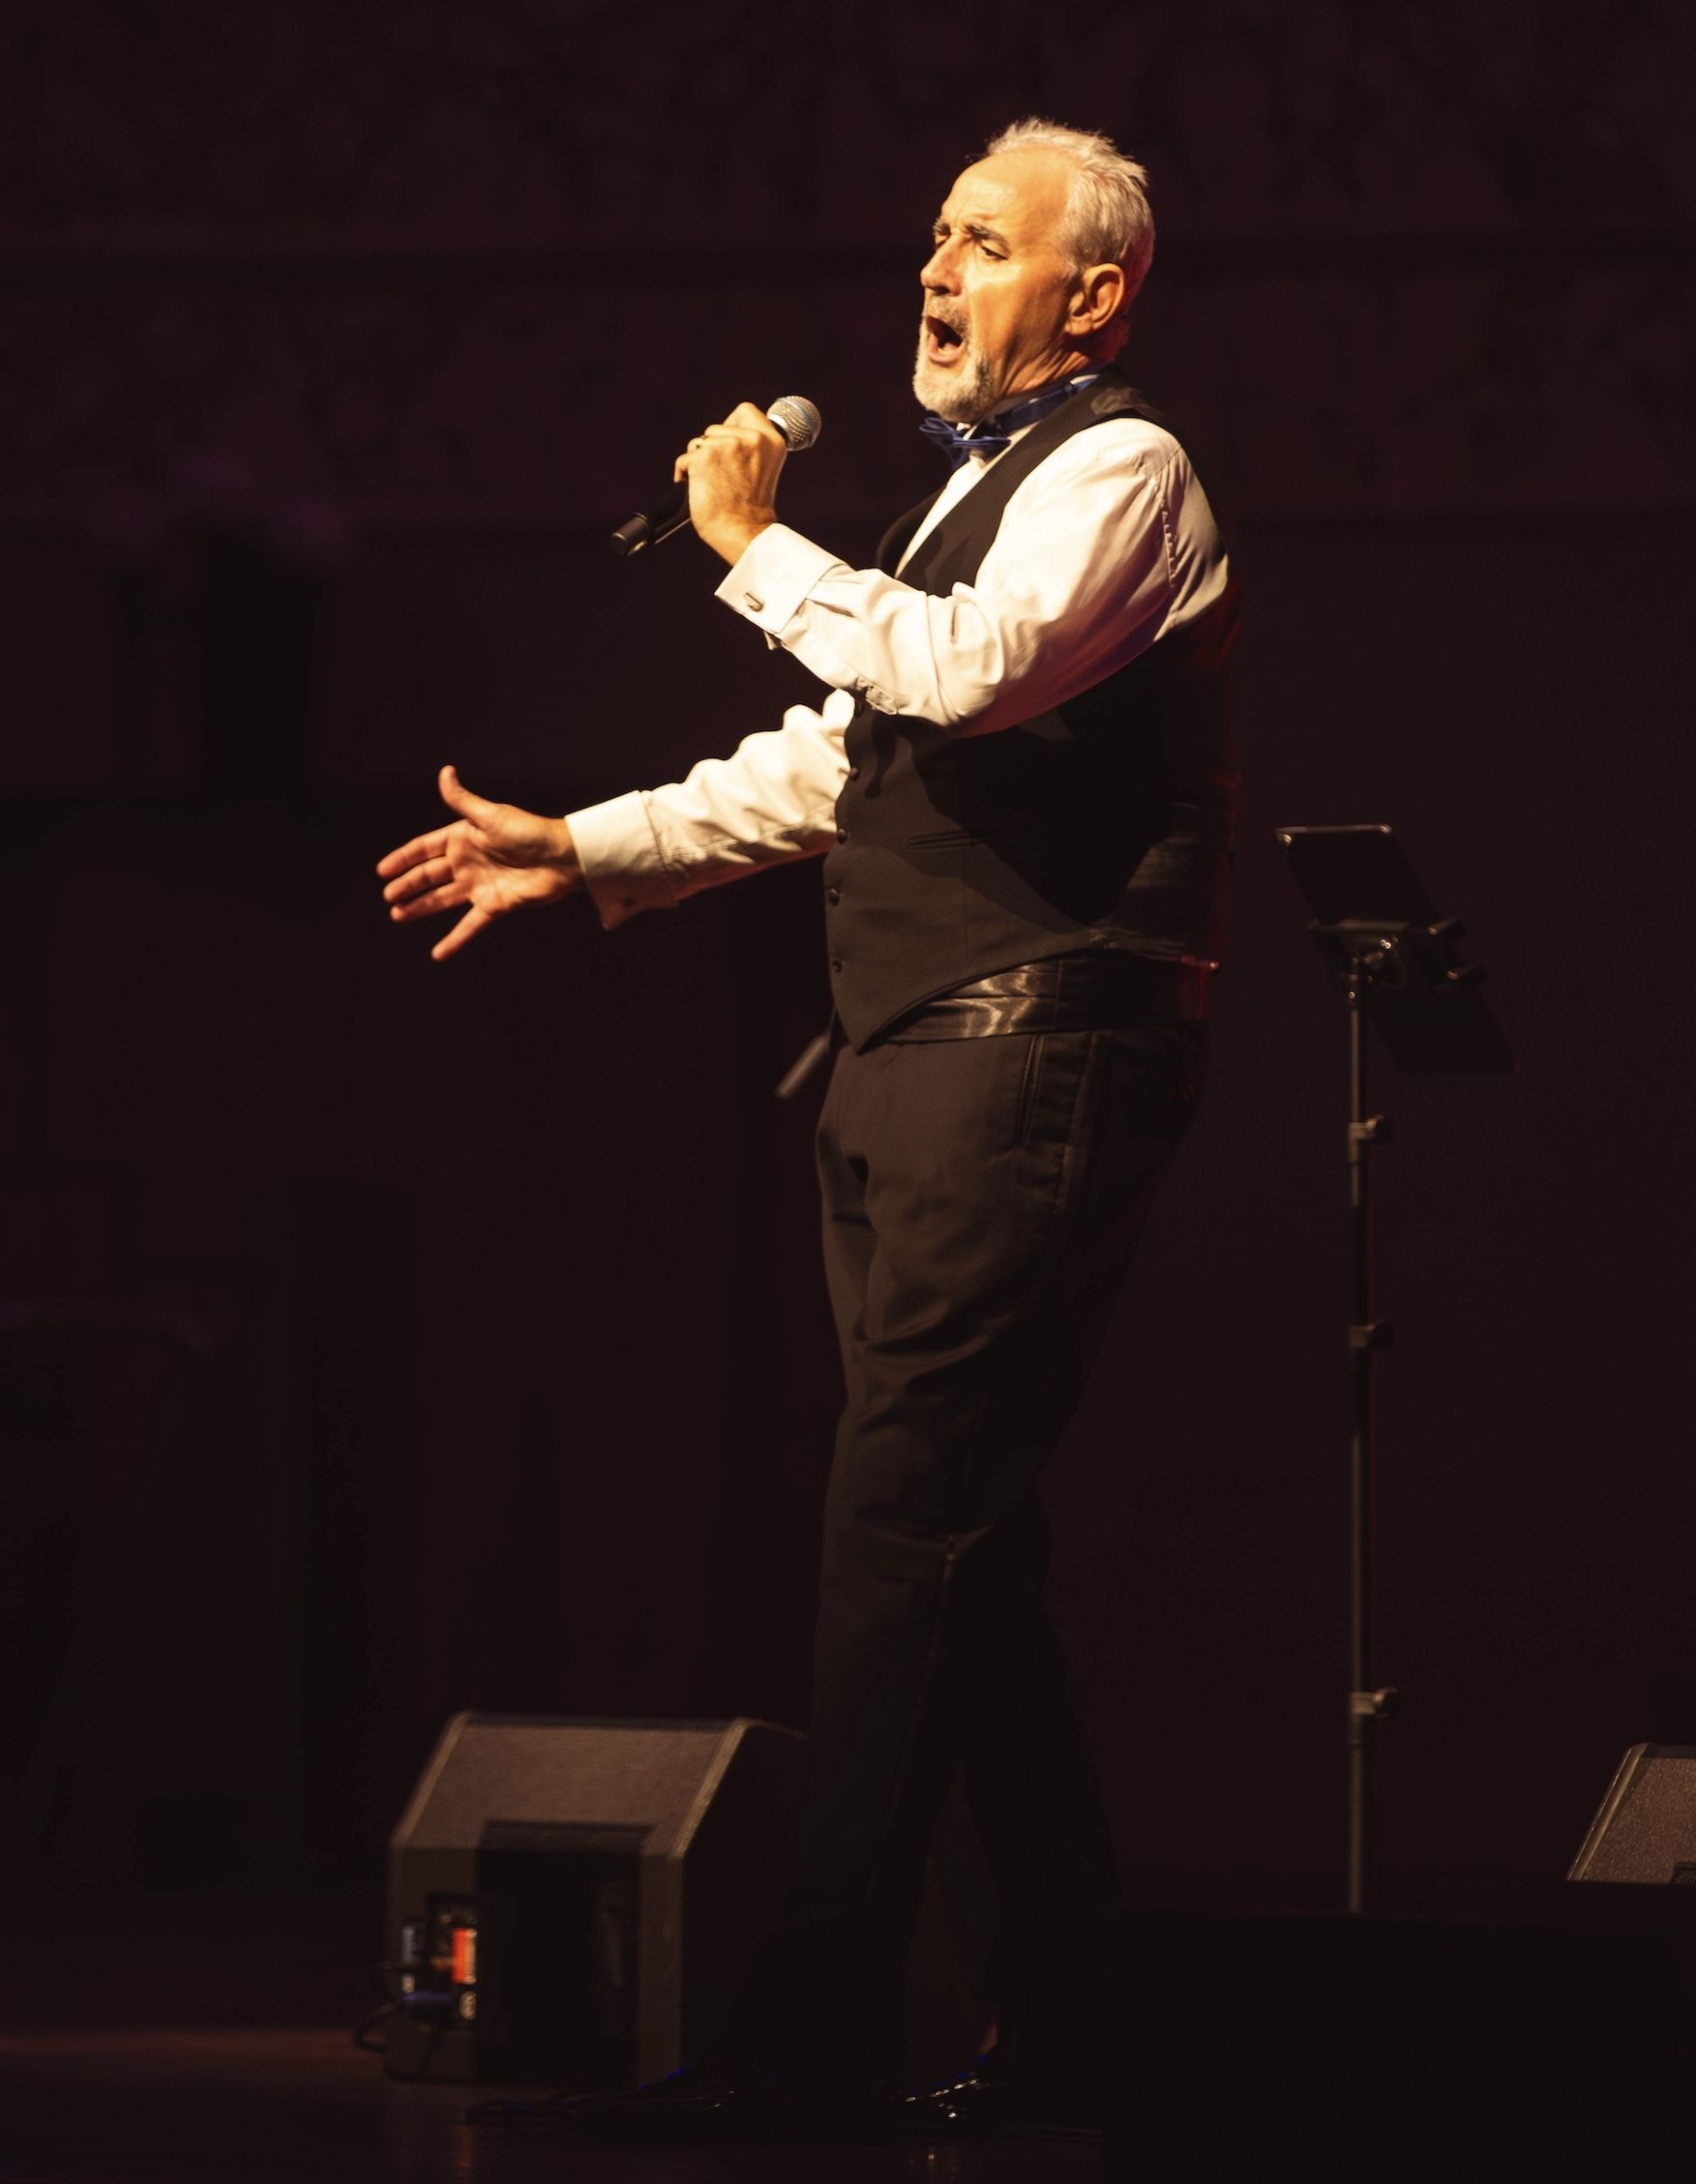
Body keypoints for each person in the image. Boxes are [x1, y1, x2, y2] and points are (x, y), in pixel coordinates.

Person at [376, 115, 1236, 2140]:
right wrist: (585, 845)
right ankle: (1085, 2029)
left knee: (897, 1535)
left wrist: (751, 546)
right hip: (914, 1059)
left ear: (1094, 293)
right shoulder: (959, 505)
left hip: (1030, 1047)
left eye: (986, 243)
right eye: (934, 234)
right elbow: (845, 765)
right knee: (959, 1553)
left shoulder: (1120, 471)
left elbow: (963, 676)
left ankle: (816, 2029)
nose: (935, 269)